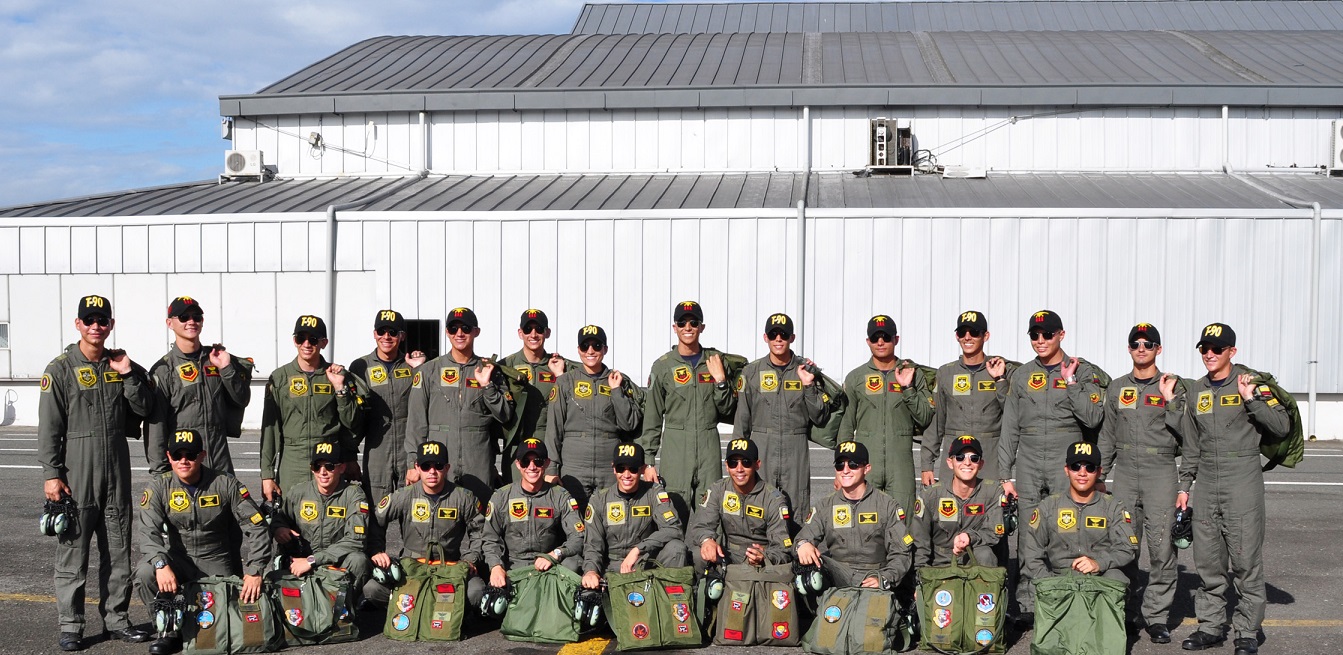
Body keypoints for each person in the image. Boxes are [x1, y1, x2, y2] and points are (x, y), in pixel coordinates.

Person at [39, 294, 154, 651]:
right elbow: (49, 428)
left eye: (101, 320)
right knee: (73, 553)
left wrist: (129, 374)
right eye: (88, 320)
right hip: (77, 474)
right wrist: (52, 473)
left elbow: (147, 407)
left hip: (116, 472)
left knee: (118, 551)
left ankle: (117, 619)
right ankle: (71, 625)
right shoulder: (59, 369)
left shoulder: (120, 366)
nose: (95, 326)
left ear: (110, 325)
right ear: (77, 324)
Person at [1174, 324, 1291, 655]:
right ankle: (1210, 627)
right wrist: (1185, 486)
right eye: (1204, 348)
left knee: (1245, 560)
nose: (1209, 354)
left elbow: (1280, 426)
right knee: (1208, 561)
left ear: (1232, 352)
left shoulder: (1250, 383)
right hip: (1208, 482)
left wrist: (1250, 399)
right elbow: (1192, 445)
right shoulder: (1196, 390)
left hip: (1242, 479)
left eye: (1217, 348)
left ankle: (1247, 631)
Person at [997, 309, 1109, 619]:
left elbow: (1093, 418)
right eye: (1035, 334)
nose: (1041, 340)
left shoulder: (1081, 371)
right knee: (1030, 534)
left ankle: (1067, 599)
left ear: (1061, 335)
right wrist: (1005, 475)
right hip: (1030, 461)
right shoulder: (1020, 376)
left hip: (1066, 459)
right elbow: (1010, 428)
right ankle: (1028, 604)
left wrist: (1070, 381)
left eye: (1048, 333)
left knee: (1067, 532)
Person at [136, 429, 270, 655]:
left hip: (216, 561)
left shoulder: (225, 483)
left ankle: (190, 625)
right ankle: (169, 632)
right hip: (179, 558)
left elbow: (257, 526)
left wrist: (255, 570)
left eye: (190, 455)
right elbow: (148, 532)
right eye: (177, 456)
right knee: (145, 572)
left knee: (217, 632)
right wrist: (161, 564)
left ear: (202, 455)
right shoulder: (159, 487)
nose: (184, 461)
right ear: (169, 457)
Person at [1097, 323, 1184, 644]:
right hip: (1125, 476)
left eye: (1149, 344)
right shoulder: (1117, 388)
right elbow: (1106, 435)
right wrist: (1099, 477)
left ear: (1159, 349)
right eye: (1136, 343)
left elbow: (1187, 434)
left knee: (1162, 548)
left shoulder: (1172, 386)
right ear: (1129, 348)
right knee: (1123, 545)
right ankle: (1126, 612)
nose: (1142, 348)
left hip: (1160, 472)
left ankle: (1157, 617)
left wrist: (1170, 400)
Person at [405, 306, 515, 503]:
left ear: (476, 331)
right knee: (439, 523)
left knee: (480, 521)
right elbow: (416, 422)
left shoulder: (490, 370)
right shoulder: (429, 371)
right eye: (453, 328)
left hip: (478, 459)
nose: (459, 333)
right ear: (447, 332)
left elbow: (505, 415)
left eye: (465, 328)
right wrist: (414, 463)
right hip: (438, 461)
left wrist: (487, 386)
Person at [733, 313, 831, 531]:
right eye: (773, 334)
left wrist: (809, 386)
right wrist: (737, 458)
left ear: (792, 337)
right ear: (765, 337)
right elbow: (742, 420)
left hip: (795, 448)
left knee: (797, 505)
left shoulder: (805, 371)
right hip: (761, 447)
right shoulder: (752, 372)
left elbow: (820, 416)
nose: (779, 339)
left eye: (784, 334)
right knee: (758, 503)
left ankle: (797, 556)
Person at [640, 301, 736, 516]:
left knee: (712, 512)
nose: (688, 327)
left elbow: (729, 409)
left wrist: (720, 381)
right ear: (675, 327)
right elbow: (652, 417)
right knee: (672, 514)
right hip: (675, 447)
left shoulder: (716, 361)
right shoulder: (663, 366)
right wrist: (648, 462)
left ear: (702, 327)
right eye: (682, 322)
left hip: (708, 445)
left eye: (694, 322)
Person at [366, 440, 486, 608]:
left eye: (438, 465)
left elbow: (481, 532)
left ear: (447, 468)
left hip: (449, 567)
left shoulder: (463, 498)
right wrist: (377, 551)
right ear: (417, 468)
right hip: (410, 567)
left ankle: (421, 606)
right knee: (372, 589)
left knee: (476, 592)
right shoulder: (404, 496)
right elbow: (376, 521)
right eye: (425, 466)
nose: (432, 471)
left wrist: (470, 559)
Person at [260, 315, 364, 500]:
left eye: (313, 339)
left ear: (324, 343)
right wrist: (267, 475)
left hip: (328, 461)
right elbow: (270, 430)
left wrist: (340, 388)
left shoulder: (336, 375)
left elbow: (350, 423)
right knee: (290, 519)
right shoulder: (280, 378)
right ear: (294, 341)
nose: (307, 344)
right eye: (301, 338)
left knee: (328, 519)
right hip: (293, 461)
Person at [838, 314, 933, 516]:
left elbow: (924, 417)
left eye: (886, 337)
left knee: (902, 520)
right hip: (864, 464)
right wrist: (841, 467)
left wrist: (907, 388)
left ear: (896, 339)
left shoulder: (913, 374)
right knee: (864, 520)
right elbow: (846, 425)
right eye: (875, 337)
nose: (880, 342)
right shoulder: (856, 378)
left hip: (900, 464)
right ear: (868, 342)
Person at [146, 296, 253, 476]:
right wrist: (160, 473)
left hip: (220, 462)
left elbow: (241, 399)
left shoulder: (216, 360)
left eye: (197, 317)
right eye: (184, 317)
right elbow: (156, 427)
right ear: (170, 323)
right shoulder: (163, 370)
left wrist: (226, 369)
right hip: (185, 464)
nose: (191, 322)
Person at [545, 325, 642, 508]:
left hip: (608, 465)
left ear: (605, 349)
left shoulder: (619, 380)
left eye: (597, 346)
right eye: (585, 346)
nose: (591, 351)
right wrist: (551, 469)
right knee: (573, 519)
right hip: (574, 465)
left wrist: (616, 392)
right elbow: (553, 430)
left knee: (609, 519)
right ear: (578, 350)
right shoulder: (566, 382)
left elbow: (629, 424)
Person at [795, 442, 913, 590]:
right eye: (840, 465)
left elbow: (901, 553)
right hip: (838, 579)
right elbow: (803, 537)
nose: (845, 470)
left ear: (867, 468)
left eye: (853, 464)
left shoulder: (887, 505)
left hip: (875, 580)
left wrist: (885, 578)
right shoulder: (825, 506)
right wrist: (803, 544)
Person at [1019, 442, 1136, 584]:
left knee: (1117, 578)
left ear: (1099, 472)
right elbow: (1032, 552)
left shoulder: (1114, 507)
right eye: (1075, 467)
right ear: (1066, 470)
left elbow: (1126, 548)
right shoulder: (1048, 507)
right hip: (1059, 581)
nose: (1082, 473)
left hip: (1099, 579)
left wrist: (1099, 563)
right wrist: (1047, 582)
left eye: (1090, 467)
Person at [269, 441, 371, 600]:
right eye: (317, 467)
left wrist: (312, 561)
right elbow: (280, 518)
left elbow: (356, 540)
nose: (322, 472)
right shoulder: (299, 492)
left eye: (329, 466)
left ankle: (344, 608)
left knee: (359, 560)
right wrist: (279, 528)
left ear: (341, 468)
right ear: (312, 469)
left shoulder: (353, 495)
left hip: (335, 565)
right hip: (300, 562)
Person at [581, 443, 690, 590]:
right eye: (621, 468)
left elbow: (674, 529)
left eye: (632, 469)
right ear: (613, 468)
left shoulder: (654, 493)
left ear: (642, 469)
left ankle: (670, 604)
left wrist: (638, 550)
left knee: (676, 548)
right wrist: (591, 571)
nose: (626, 475)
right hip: (612, 567)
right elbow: (593, 545)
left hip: (644, 563)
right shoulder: (599, 499)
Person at [481, 438, 586, 590]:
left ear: (547, 463)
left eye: (538, 461)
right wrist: (496, 566)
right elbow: (490, 538)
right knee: (493, 604)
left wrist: (555, 554)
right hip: (513, 568)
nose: (532, 467)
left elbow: (579, 536)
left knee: (574, 563)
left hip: (548, 566)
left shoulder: (560, 496)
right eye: (525, 461)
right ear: (517, 464)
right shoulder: (502, 497)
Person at [348, 309, 426, 505]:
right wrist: (349, 456)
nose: (386, 337)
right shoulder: (360, 367)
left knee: (411, 511)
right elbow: (350, 417)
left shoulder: (412, 365)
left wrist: (420, 369)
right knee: (375, 514)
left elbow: (426, 407)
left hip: (408, 450)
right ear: (374, 333)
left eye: (392, 332)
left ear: (402, 336)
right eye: (381, 331)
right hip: (376, 451)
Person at [925, 311, 1012, 484]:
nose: (967, 337)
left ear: (985, 336)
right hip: (954, 457)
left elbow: (1012, 416)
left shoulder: (1002, 369)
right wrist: (927, 464)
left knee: (989, 508)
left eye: (974, 332)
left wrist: (1000, 380)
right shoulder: (946, 373)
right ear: (956, 336)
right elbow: (936, 422)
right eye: (962, 333)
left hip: (989, 459)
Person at [685, 438, 793, 570]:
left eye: (746, 463)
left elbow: (783, 548)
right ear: (726, 466)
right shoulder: (718, 490)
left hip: (760, 561)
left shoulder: (773, 499)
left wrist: (766, 556)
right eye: (733, 463)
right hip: (728, 555)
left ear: (757, 464)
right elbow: (701, 525)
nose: (739, 469)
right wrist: (707, 540)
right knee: (698, 554)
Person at [498, 309, 573, 478]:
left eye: (539, 329)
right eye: (527, 329)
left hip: (549, 445)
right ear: (520, 333)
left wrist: (561, 376)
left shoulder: (560, 366)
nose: (533, 334)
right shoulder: (505, 366)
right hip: (517, 446)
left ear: (547, 332)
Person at [910, 436, 1006, 568]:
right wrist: (920, 577)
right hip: (941, 563)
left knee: (985, 554)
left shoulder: (993, 492)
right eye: (960, 457)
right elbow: (920, 540)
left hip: (975, 559)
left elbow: (995, 531)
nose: (967, 463)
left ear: (981, 464)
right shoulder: (931, 495)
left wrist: (970, 537)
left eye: (974, 458)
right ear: (950, 462)